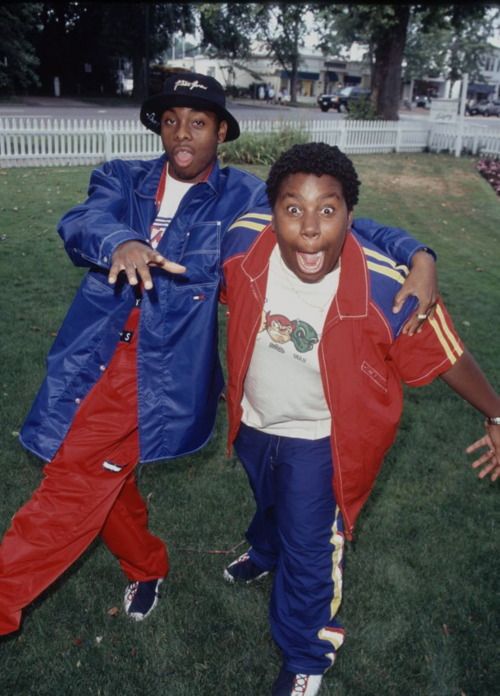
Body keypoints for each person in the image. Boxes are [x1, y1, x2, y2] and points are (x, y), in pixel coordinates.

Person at [0, 73, 437, 637]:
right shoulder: (122, 178)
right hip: (87, 357)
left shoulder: (243, 198)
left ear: (222, 131)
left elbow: (337, 220)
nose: (182, 133)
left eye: (199, 122)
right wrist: (123, 243)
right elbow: (82, 223)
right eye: (171, 120)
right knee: (104, 479)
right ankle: (147, 566)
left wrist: (416, 253)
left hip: (156, 375)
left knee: (68, 490)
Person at [220, 143, 500, 696]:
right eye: (291, 208)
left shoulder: (386, 288)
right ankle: (266, 548)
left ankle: (306, 655)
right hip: (254, 421)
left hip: (322, 441)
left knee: (311, 551)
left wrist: (497, 413)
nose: (308, 228)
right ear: (271, 209)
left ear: (350, 215)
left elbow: (447, 354)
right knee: (268, 502)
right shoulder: (241, 245)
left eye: (328, 210)